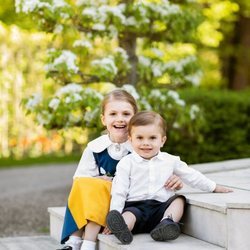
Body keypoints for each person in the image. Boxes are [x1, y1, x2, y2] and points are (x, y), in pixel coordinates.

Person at [58, 90, 183, 250]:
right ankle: (74, 241)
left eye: (126, 114)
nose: (120, 119)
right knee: (85, 187)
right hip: (95, 199)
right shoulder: (95, 148)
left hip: (125, 203)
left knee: (97, 190)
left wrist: (174, 178)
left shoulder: (141, 147)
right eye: (113, 114)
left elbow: (158, 168)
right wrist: (98, 181)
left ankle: (88, 243)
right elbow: (80, 180)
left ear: (135, 118)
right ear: (104, 119)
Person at [106, 111, 232, 244]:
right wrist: (115, 213)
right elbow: (119, 191)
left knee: (178, 200)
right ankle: (122, 228)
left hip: (160, 208)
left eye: (152, 138)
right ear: (131, 140)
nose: (146, 143)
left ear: (162, 140)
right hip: (135, 208)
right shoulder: (126, 163)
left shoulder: (170, 160)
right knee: (128, 216)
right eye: (140, 138)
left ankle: (166, 224)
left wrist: (213, 187)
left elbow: (191, 175)